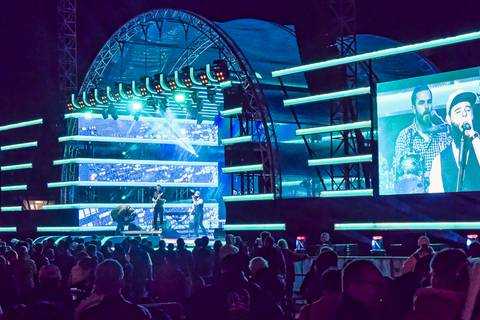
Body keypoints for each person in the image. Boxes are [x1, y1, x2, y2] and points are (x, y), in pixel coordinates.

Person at [394, 84, 450, 191]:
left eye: (429, 102)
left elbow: (451, 170)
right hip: (416, 199)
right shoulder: (404, 136)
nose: (426, 107)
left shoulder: (444, 135)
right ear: (413, 109)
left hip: (442, 198)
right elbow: (402, 174)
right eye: (421, 103)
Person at [429, 90, 480, 192]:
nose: (464, 114)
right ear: (448, 119)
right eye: (458, 111)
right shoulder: (439, 161)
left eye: (468, 109)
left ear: (473, 115)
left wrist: (473, 136)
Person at [75, 259, 151, 320]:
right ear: (122, 282)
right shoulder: (139, 313)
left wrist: (78, 312)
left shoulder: (89, 314)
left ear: (97, 283)